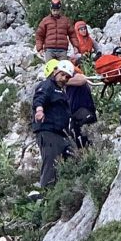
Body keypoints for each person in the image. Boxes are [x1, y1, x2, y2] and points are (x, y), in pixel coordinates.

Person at [31, 59, 76, 188]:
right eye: (62, 75)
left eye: (67, 77)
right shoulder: (47, 85)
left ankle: (63, 190)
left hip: (60, 133)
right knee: (51, 163)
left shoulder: (61, 90)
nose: (64, 79)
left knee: (70, 158)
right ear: (55, 71)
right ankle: (47, 191)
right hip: (48, 131)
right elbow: (40, 97)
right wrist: (39, 111)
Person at [64, 60, 97, 149]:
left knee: (86, 141)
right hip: (78, 114)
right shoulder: (69, 81)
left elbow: (82, 79)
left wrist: (64, 81)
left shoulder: (74, 76)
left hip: (84, 112)